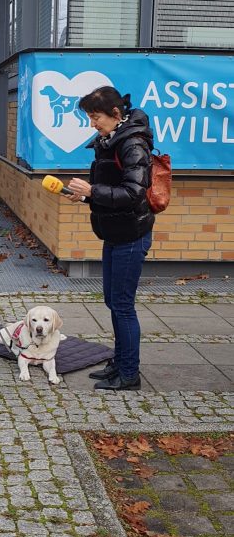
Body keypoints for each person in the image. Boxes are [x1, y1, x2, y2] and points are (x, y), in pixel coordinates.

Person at [67, 86, 154, 391]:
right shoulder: (110, 139)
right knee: (112, 301)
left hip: (131, 233)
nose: (92, 123)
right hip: (114, 231)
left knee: (123, 305)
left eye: (95, 116)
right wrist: (87, 198)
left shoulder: (133, 144)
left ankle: (129, 374)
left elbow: (133, 193)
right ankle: (119, 363)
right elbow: (111, 188)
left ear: (116, 114)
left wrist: (92, 192)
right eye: (89, 117)